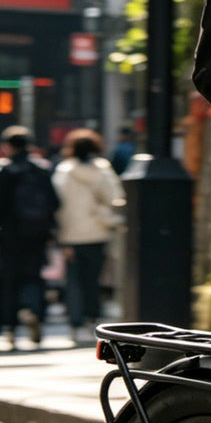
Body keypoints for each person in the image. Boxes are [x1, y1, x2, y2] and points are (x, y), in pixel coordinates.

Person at [52, 128, 125, 345]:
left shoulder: (64, 171)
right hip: (97, 232)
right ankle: (92, 318)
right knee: (93, 279)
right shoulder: (103, 170)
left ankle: (75, 323)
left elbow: (57, 205)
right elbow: (116, 198)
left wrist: (59, 234)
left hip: (70, 235)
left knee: (73, 280)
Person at [0, 125, 59, 350]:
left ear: (7, 146)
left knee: (10, 280)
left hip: (10, 235)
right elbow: (54, 203)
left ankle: (12, 329)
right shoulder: (42, 169)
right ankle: (33, 310)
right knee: (34, 276)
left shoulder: (6, 171)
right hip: (37, 234)